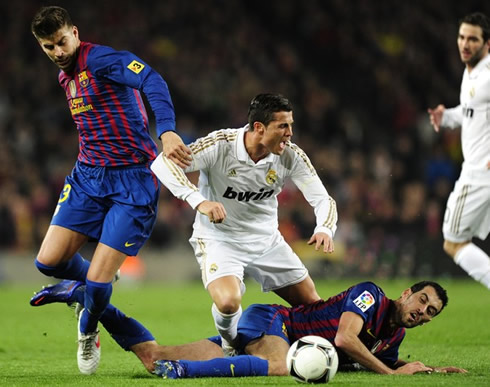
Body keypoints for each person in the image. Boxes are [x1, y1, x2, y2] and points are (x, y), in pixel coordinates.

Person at [30, 5, 192, 375]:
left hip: (132, 180)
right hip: (88, 175)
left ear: (75, 32)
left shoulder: (101, 60)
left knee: (100, 283)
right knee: (48, 262)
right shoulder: (65, 78)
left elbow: (152, 79)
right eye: (48, 47)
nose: (57, 52)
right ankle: (87, 290)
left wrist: (165, 130)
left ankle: (88, 329)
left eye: (61, 41)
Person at [150, 93, 338, 355]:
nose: (290, 133)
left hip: (266, 241)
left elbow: (322, 199)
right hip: (220, 240)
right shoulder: (221, 145)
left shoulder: (290, 155)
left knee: (314, 308)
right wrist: (198, 201)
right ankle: (231, 344)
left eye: (291, 125)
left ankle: (329, 354)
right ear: (259, 127)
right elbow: (162, 163)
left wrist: (324, 229)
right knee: (228, 302)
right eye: (283, 126)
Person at [30, 279, 467, 378]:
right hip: (273, 320)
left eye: (430, 313)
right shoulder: (371, 296)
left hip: (265, 335)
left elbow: (379, 358)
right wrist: (391, 375)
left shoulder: (395, 337)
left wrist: (419, 367)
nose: (422, 312)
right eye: (422, 301)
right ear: (407, 293)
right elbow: (346, 340)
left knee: (152, 356)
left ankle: (84, 295)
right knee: (279, 366)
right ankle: (187, 376)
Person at [427, 12, 490, 289]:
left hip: (478, 175)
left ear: (487, 44)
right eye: (462, 37)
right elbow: (472, 112)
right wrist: (448, 116)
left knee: (454, 242)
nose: (465, 44)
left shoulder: (487, 76)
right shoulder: (472, 73)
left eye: (473, 39)